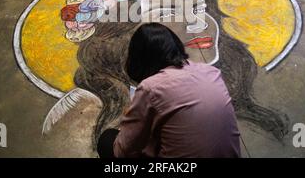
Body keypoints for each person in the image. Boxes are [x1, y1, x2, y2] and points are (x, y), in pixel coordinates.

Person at [97, 23, 241, 158]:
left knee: (107, 140)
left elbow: (123, 150)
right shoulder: (211, 71)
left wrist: (132, 120)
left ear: (138, 59)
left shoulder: (151, 87)